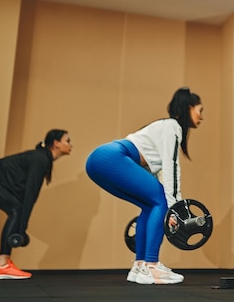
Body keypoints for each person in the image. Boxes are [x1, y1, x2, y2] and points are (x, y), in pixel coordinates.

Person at [85, 87, 203, 285]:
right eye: (200, 110)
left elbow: (153, 173)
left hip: (98, 161)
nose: (201, 116)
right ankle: (151, 265)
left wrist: (170, 206)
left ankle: (139, 266)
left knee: (151, 204)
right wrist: (176, 208)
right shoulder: (173, 126)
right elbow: (171, 168)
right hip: (112, 157)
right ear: (189, 107)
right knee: (161, 200)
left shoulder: (163, 126)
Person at [0, 129, 72, 280]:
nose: (70, 145)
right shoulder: (40, 159)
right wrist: (22, 228)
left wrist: (21, 228)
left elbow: (23, 192)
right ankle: (3, 266)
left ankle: (3, 265)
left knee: (15, 208)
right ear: (56, 143)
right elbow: (30, 194)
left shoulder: (41, 158)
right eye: (67, 141)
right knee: (16, 209)